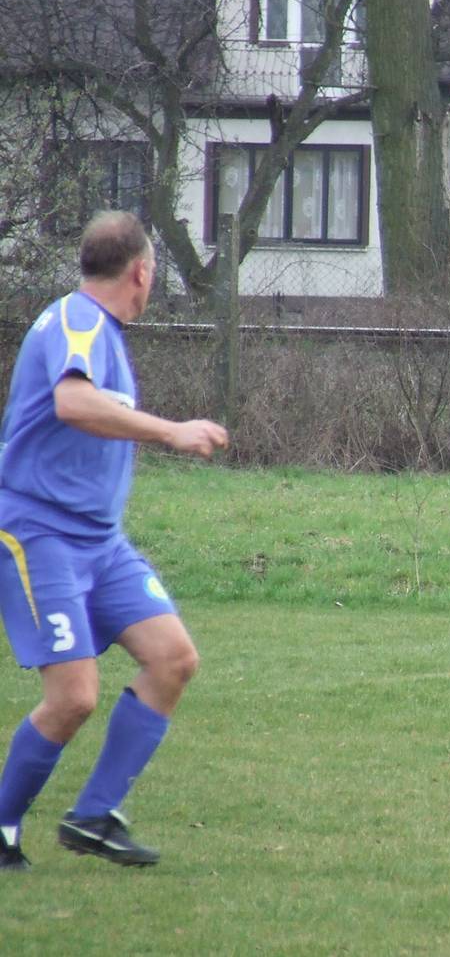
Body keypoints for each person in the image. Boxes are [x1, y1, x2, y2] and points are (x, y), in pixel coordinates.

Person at [0, 211, 228, 871]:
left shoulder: (102, 331)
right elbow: (73, 404)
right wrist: (171, 431)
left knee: (172, 659)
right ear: (142, 272)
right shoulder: (79, 320)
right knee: (73, 697)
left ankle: (94, 816)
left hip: (100, 543)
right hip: (38, 532)